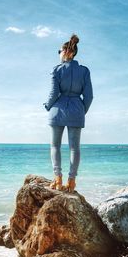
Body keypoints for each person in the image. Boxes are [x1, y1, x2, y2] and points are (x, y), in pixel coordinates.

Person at [43, 33, 94, 193]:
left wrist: (47, 106)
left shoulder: (56, 70)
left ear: (66, 52)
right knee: (74, 148)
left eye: (59, 51)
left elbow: (53, 94)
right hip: (77, 110)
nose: (58, 55)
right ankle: (71, 182)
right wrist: (81, 111)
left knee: (55, 146)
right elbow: (89, 96)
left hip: (57, 110)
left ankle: (58, 179)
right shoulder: (84, 71)